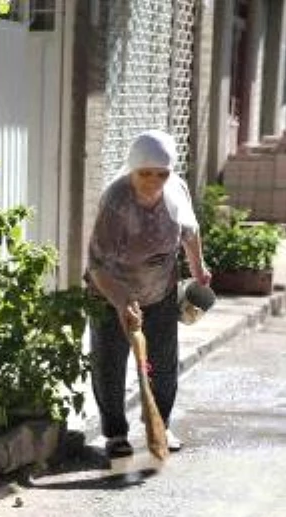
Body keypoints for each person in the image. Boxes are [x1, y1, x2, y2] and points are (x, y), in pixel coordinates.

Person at [85, 129, 212, 459]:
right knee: (110, 364)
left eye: (162, 173)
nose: (155, 180)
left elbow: (190, 231)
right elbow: (97, 265)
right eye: (146, 173)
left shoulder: (176, 190)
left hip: (160, 290)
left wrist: (198, 268)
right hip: (111, 290)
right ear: (132, 169)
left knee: (163, 364)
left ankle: (161, 425)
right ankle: (115, 434)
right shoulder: (117, 201)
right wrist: (120, 301)